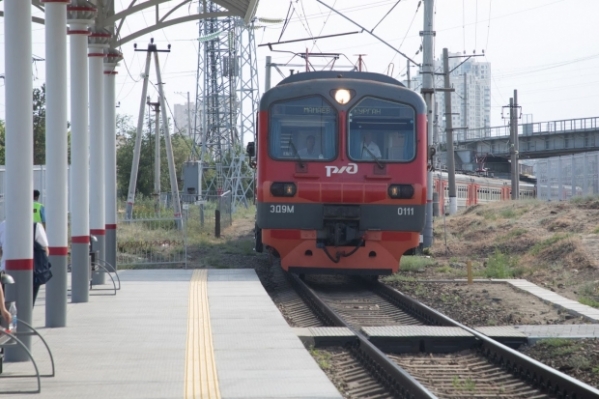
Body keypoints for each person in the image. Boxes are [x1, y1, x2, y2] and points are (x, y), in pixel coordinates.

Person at [0, 220, 49, 306]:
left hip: (6, 272)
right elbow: (45, 250)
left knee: (6, 305)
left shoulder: (3, 225)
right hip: (32, 272)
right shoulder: (35, 226)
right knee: (27, 306)